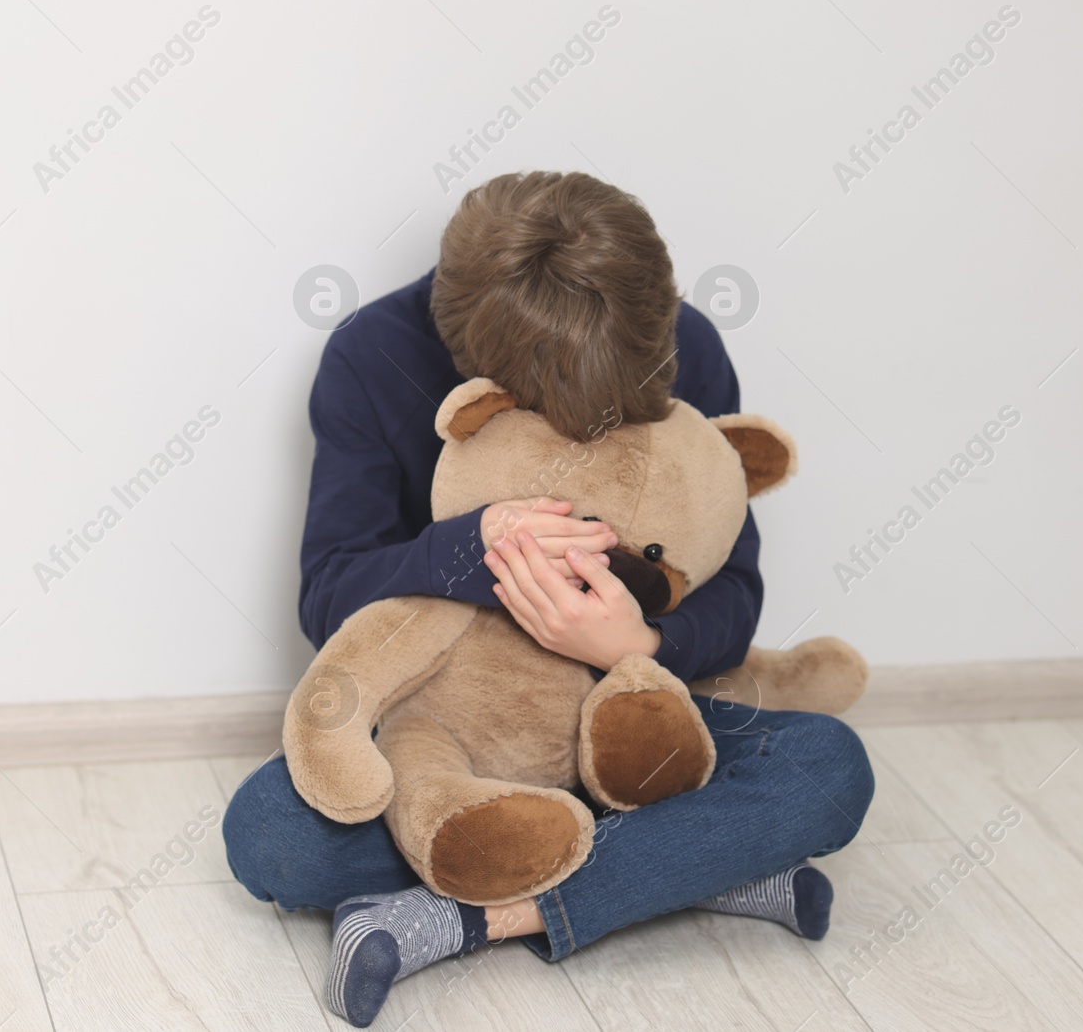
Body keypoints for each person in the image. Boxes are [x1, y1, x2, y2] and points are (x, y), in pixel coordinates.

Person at [223, 171, 873, 1027]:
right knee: (272, 834)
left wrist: (637, 643)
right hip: (460, 739)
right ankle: (698, 861)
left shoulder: (688, 345)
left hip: (647, 720)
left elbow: (737, 589)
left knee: (832, 768)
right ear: (477, 373)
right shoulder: (371, 355)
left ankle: (466, 914)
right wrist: (468, 545)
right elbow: (329, 596)